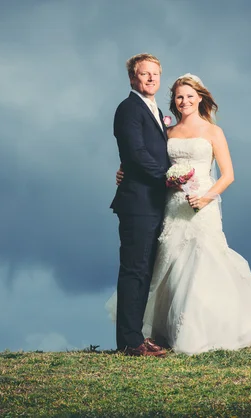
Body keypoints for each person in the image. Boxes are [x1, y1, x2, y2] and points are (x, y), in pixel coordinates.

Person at [109, 73, 251, 355]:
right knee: (171, 263)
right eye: (179, 97)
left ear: (201, 98)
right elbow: (145, 157)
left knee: (204, 260)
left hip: (201, 203)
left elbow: (228, 175)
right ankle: (167, 331)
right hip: (172, 204)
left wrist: (205, 198)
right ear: (174, 101)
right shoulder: (167, 132)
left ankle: (209, 328)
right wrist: (124, 172)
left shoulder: (213, 132)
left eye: (190, 96)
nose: (184, 101)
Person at [109, 53, 170, 357]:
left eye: (155, 74)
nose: (150, 79)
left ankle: (136, 336)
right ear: (132, 78)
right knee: (134, 270)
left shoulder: (156, 110)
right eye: (144, 74)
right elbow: (136, 154)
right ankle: (129, 342)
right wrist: (169, 177)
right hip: (138, 203)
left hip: (155, 202)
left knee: (145, 271)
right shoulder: (128, 108)